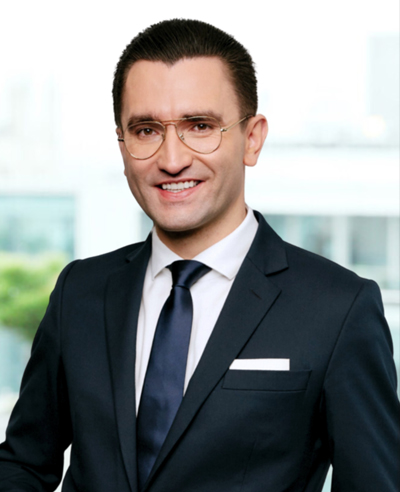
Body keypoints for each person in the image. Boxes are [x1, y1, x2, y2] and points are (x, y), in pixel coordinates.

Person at [0, 18, 399, 492]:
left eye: (200, 126)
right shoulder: (80, 291)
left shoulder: (338, 308)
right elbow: (23, 465)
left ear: (252, 138)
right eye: (146, 130)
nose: (172, 159)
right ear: (122, 144)